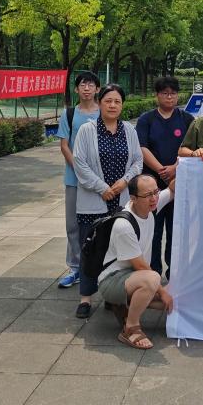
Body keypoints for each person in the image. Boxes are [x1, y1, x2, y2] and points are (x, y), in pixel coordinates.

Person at [71, 83, 144, 319]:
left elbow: (138, 161)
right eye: (108, 101)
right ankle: (85, 297)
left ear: (122, 105)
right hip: (94, 201)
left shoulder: (129, 130)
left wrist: (125, 182)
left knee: (118, 251)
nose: (113, 105)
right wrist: (102, 188)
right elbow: (79, 163)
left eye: (117, 101)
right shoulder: (87, 130)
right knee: (91, 248)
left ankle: (113, 297)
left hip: (121, 202)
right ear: (99, 103)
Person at [97, 174, 175, 350]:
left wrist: (190, 163)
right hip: (112, 280)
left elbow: (172, 189)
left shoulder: (150, 205)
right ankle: (130, 327)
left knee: (176, 297)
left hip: (133, 276)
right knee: (153, 280)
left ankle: (123, 305)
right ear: (133, 198)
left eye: (156, 192)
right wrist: (162, 292)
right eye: (148, 195)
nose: (154, 198)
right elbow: (140, 266)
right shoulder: (124, 225)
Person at [135, 76, 193, 275]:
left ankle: (174, 272)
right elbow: (142, 147)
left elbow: (192, 148)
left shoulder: (187, 119)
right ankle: (153, 271)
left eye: (173, 93)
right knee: (154, 229)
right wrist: (162, 169)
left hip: (179, 183)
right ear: (157, 95)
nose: (169, 97)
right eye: (165, 93)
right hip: (151, 186)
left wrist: (175, 168)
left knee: (176, 229)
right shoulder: (146, 119)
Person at [54, 71, 100, 289]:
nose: (87, 88)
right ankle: (75, 268)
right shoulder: (70, 114)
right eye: (83, 85)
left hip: (100, 180)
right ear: (76, 89)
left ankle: (97, 267)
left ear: (97, 89)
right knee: (72, 224)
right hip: (74, 179)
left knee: (99, 224)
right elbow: (65, 145)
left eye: (91, 85)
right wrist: (80, 171)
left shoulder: (104, 111)